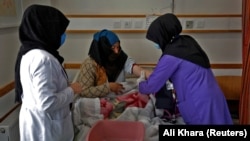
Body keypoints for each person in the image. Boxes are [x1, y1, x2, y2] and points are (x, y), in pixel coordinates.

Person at [137, 13, 233, 125]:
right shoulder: (187, 42)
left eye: (156, 40)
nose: (156, 44)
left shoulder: (171, 56)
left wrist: (139, 84)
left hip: (199, 103)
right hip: (214, 97)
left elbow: (151, 86)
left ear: (162, 35)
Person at [14, 4, 82, 141]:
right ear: (47, 30)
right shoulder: (43, 59)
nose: (63, 35)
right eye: (60, 31)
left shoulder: (29, 53)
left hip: (38, 122)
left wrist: (63, 86)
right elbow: (46, 102)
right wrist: (71, 90)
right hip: (46, 129)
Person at [76, 29, 151, 98]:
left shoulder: (121, 57)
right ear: (103, 48)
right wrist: (109, 87)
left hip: (118, 97)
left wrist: (154, 77)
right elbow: (84, 91)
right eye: (113, 48)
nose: (116, 52)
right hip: (97, 101)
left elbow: (138, 70)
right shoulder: (90, 64)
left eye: (118, 47)